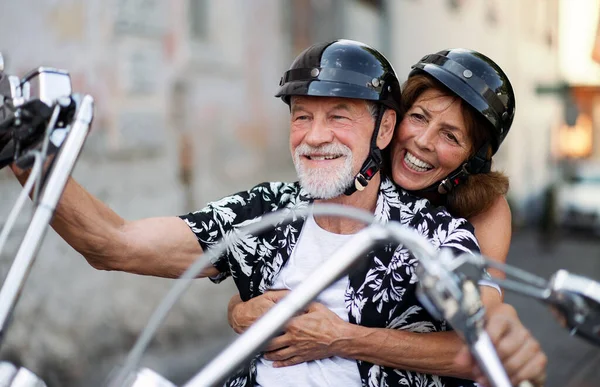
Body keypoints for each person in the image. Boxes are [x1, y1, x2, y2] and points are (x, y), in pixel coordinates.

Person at [9, 40, 531, 386]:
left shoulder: (440, 230)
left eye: (339, 116)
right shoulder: (269, 211)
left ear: (382, 126)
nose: (315, 135)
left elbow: (482, 339)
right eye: (302, 116)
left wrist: (341, 337)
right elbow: (113, 242)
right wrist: (24, 152)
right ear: (401, 121)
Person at [226, 47, 547, 385]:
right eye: (419, 117)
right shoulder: (357, 171)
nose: (422, 141)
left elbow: (484, 312)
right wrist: (237, 310)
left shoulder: (486, 209)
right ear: (392, 119)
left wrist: (345, 338)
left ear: (475, 158)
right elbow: (280, 278)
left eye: (450, 135)